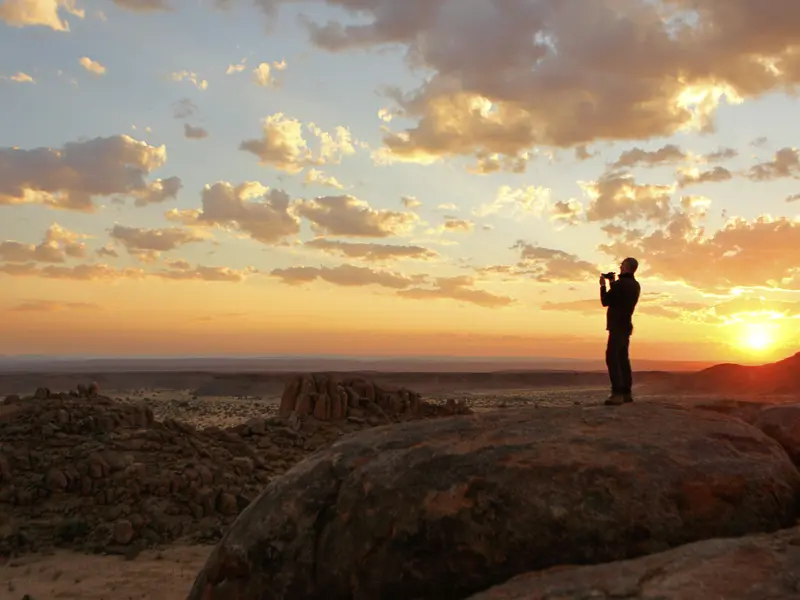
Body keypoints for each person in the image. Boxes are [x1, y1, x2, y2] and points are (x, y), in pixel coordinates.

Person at [599, 257, 641, 405]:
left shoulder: (620, 284)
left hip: (616, 326)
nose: (620, 267)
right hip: (626, 325)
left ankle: (617, 393)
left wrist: (603, 285)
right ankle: (626, 393)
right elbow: (619, 298)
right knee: (623, 359)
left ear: (627, 267)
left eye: (622, 265)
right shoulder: (635, 285)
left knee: (612, 358)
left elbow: (606, 301)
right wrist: (612, 282)